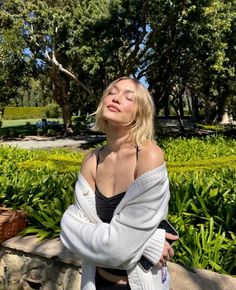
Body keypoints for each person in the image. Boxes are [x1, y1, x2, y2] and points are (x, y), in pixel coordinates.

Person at [60, 76, 178, 290]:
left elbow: (117, 249)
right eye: (112, 92)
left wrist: (125, 245)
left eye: (128, 97)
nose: (116, 98)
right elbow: (68, 229)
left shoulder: (148, 156)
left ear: (139, 112)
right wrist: (149, 244)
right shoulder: (91, 161)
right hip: (96, 282)